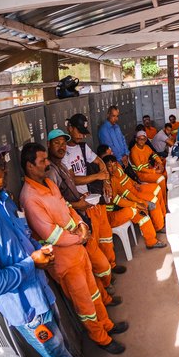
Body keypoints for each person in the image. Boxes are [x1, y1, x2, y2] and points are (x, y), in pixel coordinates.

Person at [0, 138, 84, 357]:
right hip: (28, 311)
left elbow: (23, 237)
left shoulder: (3, 200)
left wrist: (39, 249)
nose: (5, 168)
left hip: (42, 292)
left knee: (64, 350)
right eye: (0, 164)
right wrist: (31, 263)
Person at [19, 143, 128, 354]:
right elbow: (51, 234)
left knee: (94, 293)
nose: (47, 163)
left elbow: (68, 208)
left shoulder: (49, 184)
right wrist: (79, 237)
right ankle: (101, 338)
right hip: (65, 262)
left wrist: (82, 224)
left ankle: (107, 325)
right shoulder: (30, 198)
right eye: (42, 161)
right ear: (30, 166)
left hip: (78, 251)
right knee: (85, 305)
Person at [47, 129, 118, 303]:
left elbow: (70, 188)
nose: (62, 147)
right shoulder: (51, 173)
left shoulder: (62, 165)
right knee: (95, 265)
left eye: (63, 143)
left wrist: (81, 199)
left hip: (80, 217)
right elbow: (59, 202)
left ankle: (106, 292)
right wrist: (78, 204)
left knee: (95, 262)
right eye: (57, 143)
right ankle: (105, 295)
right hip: (72, 229)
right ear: (48, 145)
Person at [65, 114, 125, 276]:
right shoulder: (64, 153)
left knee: (106, 236)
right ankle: (103, 276)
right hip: (83, 203)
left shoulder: (83, 147)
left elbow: (99, 161)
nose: (81, 135)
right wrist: (98, 177)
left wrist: (105, 180)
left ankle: (111, 265)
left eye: (83, 132)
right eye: (78, 131)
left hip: (95, 198)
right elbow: (72, 180)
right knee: (94, 241)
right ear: (69, 128)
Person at [103, 155, 166, 250]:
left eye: (114, 165)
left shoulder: (114, 179)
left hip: (120, 209)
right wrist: (136, 204)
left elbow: (125, 192)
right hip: (109, 216)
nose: (113, 168)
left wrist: (140, 202)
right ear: (104, 167)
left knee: (142, 213)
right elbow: (117, 200)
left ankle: (151, 242)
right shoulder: (105, 183)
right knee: (135, 210)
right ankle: (155, 231)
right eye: (109, 166)